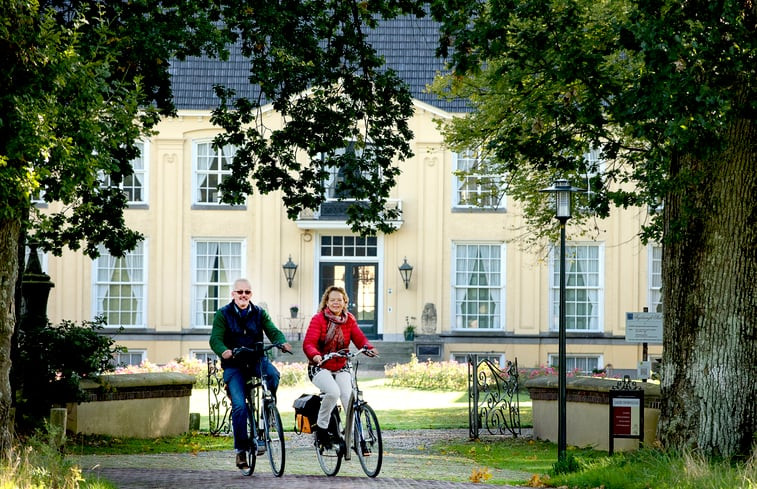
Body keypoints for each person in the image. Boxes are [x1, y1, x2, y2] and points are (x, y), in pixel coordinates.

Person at [209, 278, 292, 470]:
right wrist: (224, 350)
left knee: (273, 375)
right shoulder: (223, 314)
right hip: (234, 364)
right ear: (233, 294)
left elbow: (272, 331)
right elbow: (215, 339)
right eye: (240, 292)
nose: (243, 295)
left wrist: (281, 341)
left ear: (251, 294)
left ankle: (268, 407)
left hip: (256, 359)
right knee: (239, 407)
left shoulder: (260, 313)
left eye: (247, 292)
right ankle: (241, 451)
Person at [302, 285, 378, 447]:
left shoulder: (349, 319)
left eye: (339, 300)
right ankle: (322, 430)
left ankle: (355, 436)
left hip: (341, 365)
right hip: (320, 366)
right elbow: (309, 343)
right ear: (326, 303)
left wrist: (368, 348)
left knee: (348, 396)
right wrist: (315, 355)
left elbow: (359, 338)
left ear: (345, 302)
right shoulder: (318, 319)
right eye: (332, 300)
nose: (336, 303)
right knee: (333, 392)